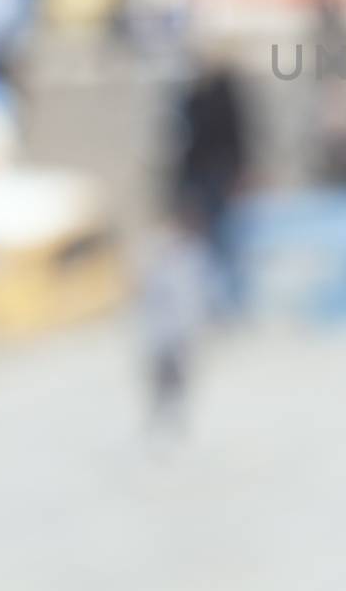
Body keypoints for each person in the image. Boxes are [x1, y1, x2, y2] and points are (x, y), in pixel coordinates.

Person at [173, 59, 251, 309]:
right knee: (205, 243)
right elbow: (185, 143)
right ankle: (210, 299)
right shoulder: (192, 97)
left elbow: (236, 134)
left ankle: (229, 299)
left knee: (227, 239)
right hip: (203, 176)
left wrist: (239, 171)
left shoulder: (224, 94)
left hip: (220, 174)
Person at [137, 204, 213, 437]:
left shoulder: (195, 257)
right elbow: (148, 295)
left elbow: (202, 295)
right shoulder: (161, 258)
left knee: (182, 381)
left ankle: (178, 423)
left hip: (183, 332)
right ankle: (156, 423)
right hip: (162, 332)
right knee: (160, 382)